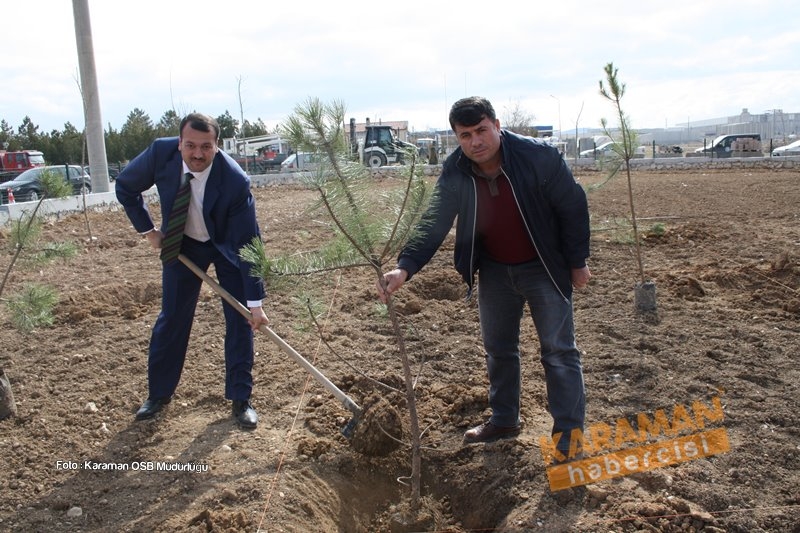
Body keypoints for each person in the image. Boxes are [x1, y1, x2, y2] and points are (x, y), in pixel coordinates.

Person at [377, 97, 591, 455]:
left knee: (558, 352)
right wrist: (405, 267)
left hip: (544, 267)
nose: (475, 141)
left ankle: (569, 440)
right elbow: (435, 221)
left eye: (481, 130)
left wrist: (577, 261)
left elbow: (572, 206)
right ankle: (505, 419)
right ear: (457, 138)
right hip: (493, 270)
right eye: (465, 135)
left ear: (496, 125)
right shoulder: (457, 171)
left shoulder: (538, 158)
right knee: (498, 350)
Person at [116, 113, 269, 429]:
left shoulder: (235, 181)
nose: (197, 154)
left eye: (206, 147)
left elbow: (248, 243)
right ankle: (158, 395)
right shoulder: (161, 153)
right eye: (190, 146)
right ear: (179, 144)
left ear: (217, 146)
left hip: (227, 246)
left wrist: (255, 305)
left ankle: (241, 399)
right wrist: (147, 230)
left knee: (240, 319)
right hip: (182, 243)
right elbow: (126, 186)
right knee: (172, 317)